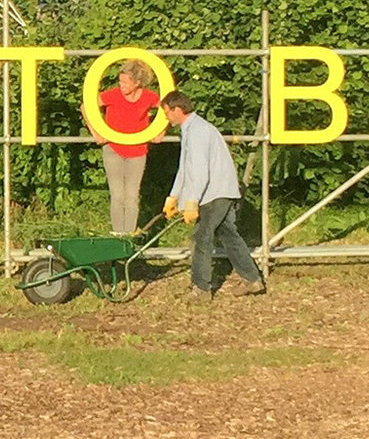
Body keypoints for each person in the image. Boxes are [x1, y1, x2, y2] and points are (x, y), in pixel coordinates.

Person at [161, 90, 266, 298]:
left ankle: (201, 288)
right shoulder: (190, 130)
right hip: (218, 190)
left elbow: (200, 170)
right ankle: (253, 280)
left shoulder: (199, 131)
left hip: (214, 192)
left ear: (178, 109)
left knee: (202, 237)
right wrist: (173, 197)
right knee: (228, 235)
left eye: (167, 112)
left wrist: (192, 201)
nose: (166, 117)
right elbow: (185, 168)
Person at [96, 60, 159, 234]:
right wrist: (96, 131)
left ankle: (129, 234)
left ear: (137, 83)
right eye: (120, 81)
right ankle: (118, 235)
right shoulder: (113, 95)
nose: (121, 85)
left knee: (132, 196)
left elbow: (167, 109)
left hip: (138, 150)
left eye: (125, 82)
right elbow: (87, 106)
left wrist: (160, 130)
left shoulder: (148, 96)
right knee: (118, 196)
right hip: (114, 149)